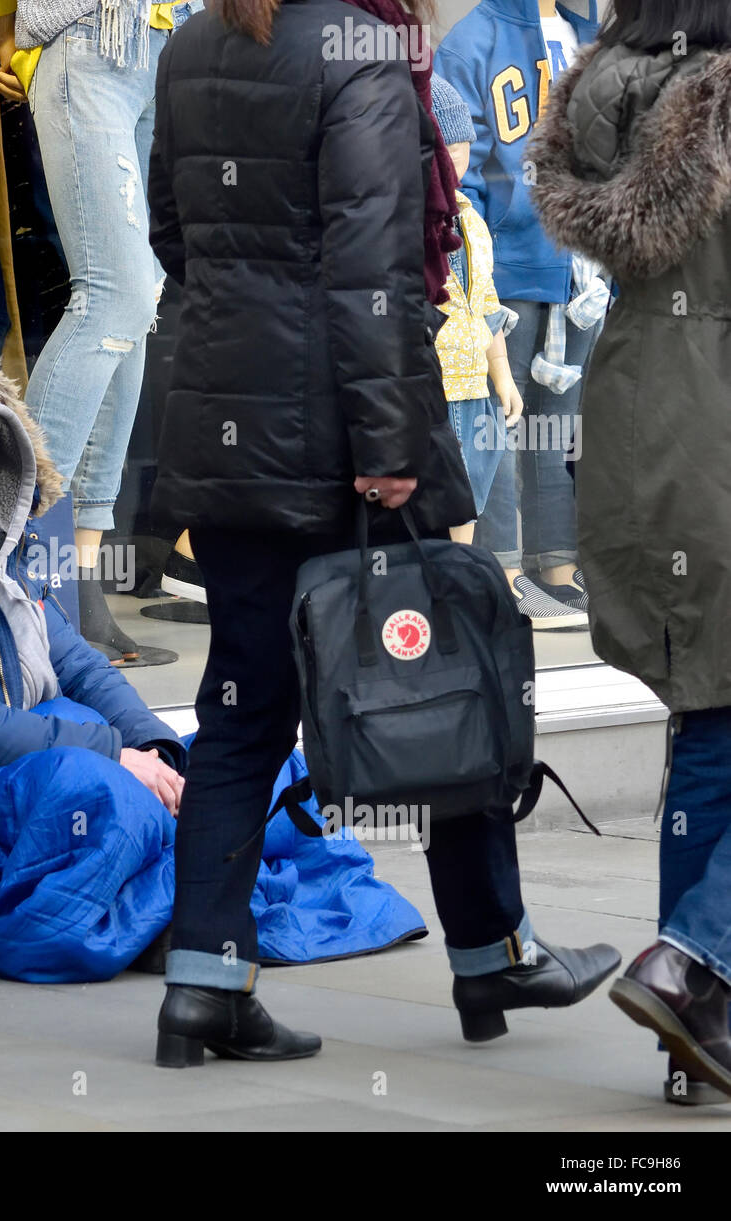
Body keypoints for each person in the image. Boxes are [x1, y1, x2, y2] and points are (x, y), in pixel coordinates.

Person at [146, 0, 619, 1067]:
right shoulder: (356, 48)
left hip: (226, 418)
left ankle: (204, 988)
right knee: (445, 673)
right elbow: (371, 263)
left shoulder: (189, 43)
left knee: (239, 706)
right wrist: (390, 440)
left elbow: (170, 233)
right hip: (338, 431)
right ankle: (492, 951)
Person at [0, 327, 429, 983]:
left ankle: (170, 909)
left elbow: (83, 668)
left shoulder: (7, 554)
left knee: (278, 769)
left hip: (56, 763)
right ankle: (168, 913)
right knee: (100, 793)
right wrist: (110, 755)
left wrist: (160, 753)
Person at [530, 0, 731, 1106]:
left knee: (707, 723)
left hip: (637, 428)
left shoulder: (607, 88)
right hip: (717, 436)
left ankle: (685, 1041)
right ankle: (695, 960)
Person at [0, 0, 200, 663]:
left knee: (136, 300)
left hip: (165, 48)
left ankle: (75, 576)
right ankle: (16, 547)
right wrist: (6, 37)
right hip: (92, 39)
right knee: (116, 291)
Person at [437, 0, 602, 630]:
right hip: (507, 264)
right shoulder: (473, 39)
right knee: (497, 422)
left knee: (560, 428)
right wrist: (473, 255)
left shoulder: (591, 33)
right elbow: (457, 166)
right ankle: (500, 568)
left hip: (581, 265)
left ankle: (555, 567)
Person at [431, 76, 523, 548]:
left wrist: (502, 376)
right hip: (431, 387)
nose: (458, 163)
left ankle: (459, 571)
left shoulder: (470, 218)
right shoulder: (406, 217)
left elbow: (487, 302)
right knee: (436, 489)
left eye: (465, 149)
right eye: (447, 150)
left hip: (473, 386)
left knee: (471, 488)